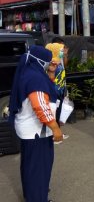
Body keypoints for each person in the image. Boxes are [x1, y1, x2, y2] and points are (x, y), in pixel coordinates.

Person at [8, 45, 63, 202]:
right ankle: (38, 198)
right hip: (36, 131)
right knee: (38, 168)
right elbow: (40, 105)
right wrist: (55, 128)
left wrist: (51, 72)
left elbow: (46, 89)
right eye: (48, 61)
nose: (50, 64)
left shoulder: (30, 72)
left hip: (30, 130)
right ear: (40, 61)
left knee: (31, 166)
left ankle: (33, 195)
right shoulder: (35, 78)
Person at [45, 42, 69, 144]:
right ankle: (53, 135)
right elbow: (51, 79)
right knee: (52, 114)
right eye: (60, 50)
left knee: (57, 113)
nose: (62, 52)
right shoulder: (51, 64)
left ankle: (57, 133)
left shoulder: (59, 62)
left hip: (60, 91)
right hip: (53, 93)